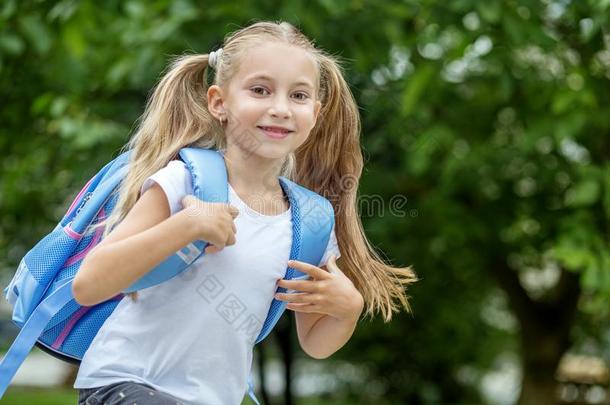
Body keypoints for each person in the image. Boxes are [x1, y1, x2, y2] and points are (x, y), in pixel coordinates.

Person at [71, 20, 416, 405]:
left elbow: (316, 344)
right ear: (219, 102)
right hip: (125, 383)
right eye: (260, 90)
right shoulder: (184, 181)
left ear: (316, 113)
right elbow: (89, 284)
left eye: (299, 96)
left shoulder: (310, 222)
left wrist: (348, 309)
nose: (281, 108)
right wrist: (187, 225)